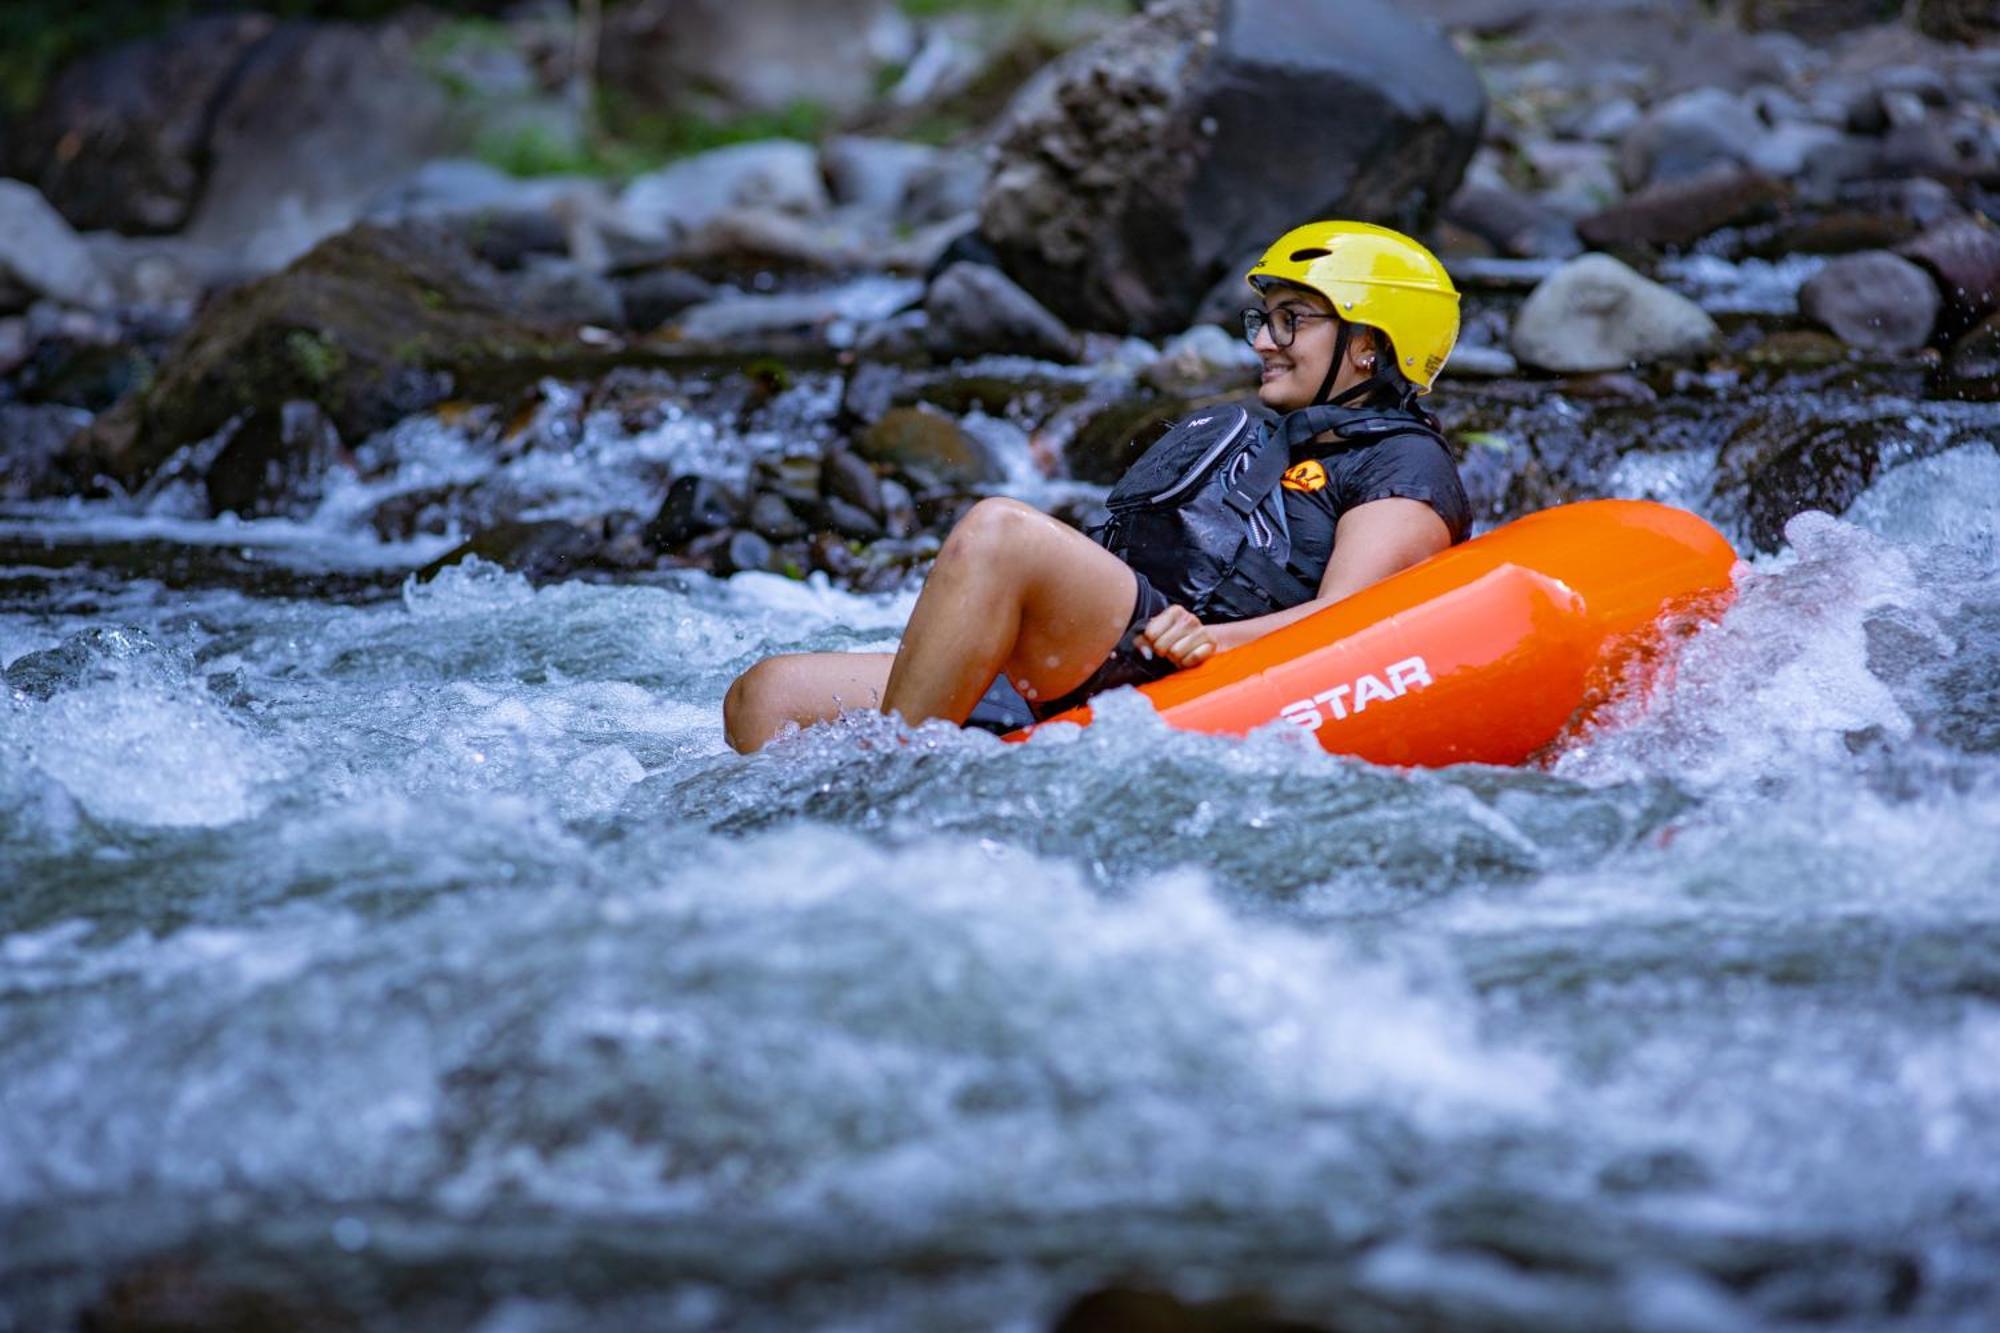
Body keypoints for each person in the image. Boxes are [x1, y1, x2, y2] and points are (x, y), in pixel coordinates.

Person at [723, 220, 1472, 754]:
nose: (1261, 341)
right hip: (1111, 654)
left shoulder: (1404, 468)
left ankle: (895, 791)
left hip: (1193, 664)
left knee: (999, 531)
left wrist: (1212, 639)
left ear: (1370, 346)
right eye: (1264, 318)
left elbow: (1352, 625)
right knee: (770, 693)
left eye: (1291, 321)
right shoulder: (1256, 433)